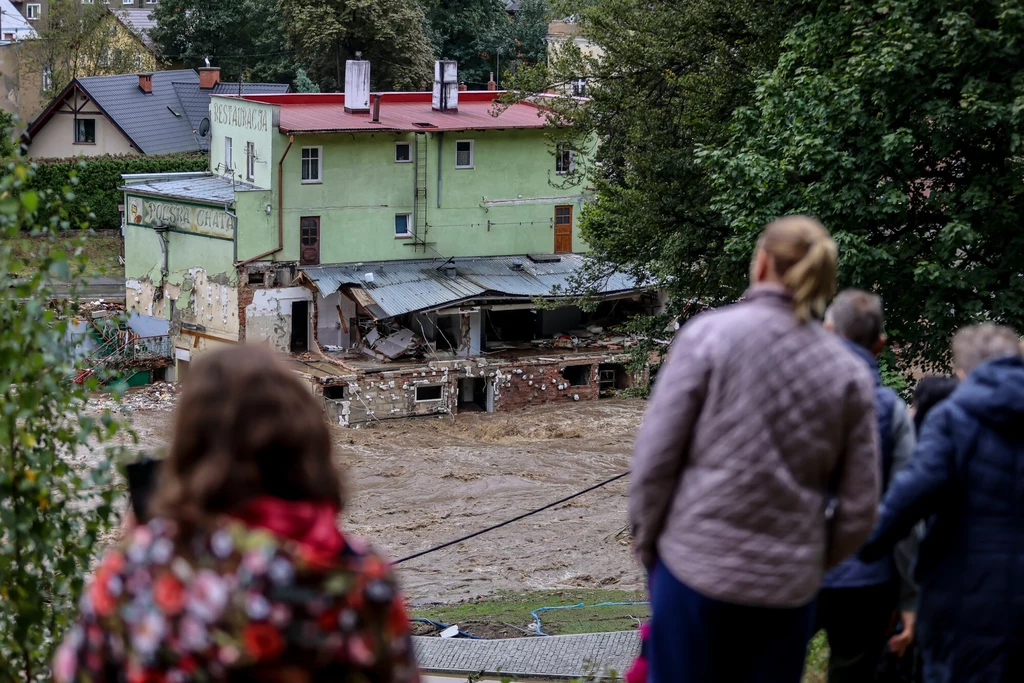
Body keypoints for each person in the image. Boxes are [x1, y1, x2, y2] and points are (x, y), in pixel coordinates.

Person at [53, 345, 420, 683]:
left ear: (189, 447)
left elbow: (75, 672)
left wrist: (137, 544)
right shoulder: (361, 581)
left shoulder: (139, 571)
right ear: (306, 445)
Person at [629, 215, 881, 683]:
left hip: (694, 569)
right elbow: (861, 505)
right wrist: (809, 559)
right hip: (788, 590)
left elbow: (653, 462)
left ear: (761, 262)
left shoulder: (709, 336)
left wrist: (651, 546)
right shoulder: (847, 371)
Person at [859, 323, 1024, 683]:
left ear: (963, 372)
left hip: (964, 594)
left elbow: (911, 495)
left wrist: (864, 544)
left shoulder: (953, 418)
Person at [815, 290, 919, 682]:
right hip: (868, 582)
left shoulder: (791, 397)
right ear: (880, 345)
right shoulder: (891, 409)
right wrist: (911, 595)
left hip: (794, 570)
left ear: (827, 331)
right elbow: (906, 507)